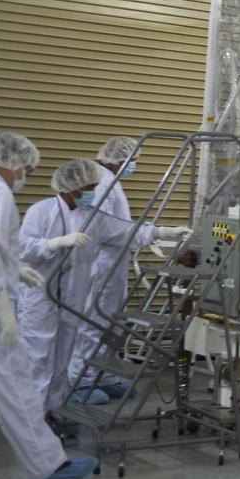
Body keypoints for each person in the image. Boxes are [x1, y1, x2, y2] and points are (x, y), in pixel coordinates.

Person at [0, 133, 97, 479]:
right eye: (28, 169)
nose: (25, 176)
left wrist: (14, 268)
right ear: (15, 163)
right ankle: (47, 466)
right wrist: (3, 305)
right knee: (16, 383)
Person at [66, 137, 188, 400]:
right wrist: (157, 232)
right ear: (118, 159)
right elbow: (111, 230)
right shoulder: (101, 184)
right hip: (100, 266)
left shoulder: (110, 182)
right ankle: (81, 380)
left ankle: (104, 375)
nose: (134, 165)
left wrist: (152, 233)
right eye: (132, 160)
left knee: (110, 324)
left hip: (112, 264)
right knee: (94, 322)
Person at [18, 159, 108, 410]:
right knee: (37, 356)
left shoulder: (91, 216)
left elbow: (122, 231)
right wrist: (54, 243)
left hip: (71, 297)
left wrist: (159, 233)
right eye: (90, 186)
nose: (93, 191)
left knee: (63, 357)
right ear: (72, 187)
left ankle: (54, 408)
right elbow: (23, 248)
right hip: (41, 296)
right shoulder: (41, 210)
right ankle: (32, 415)